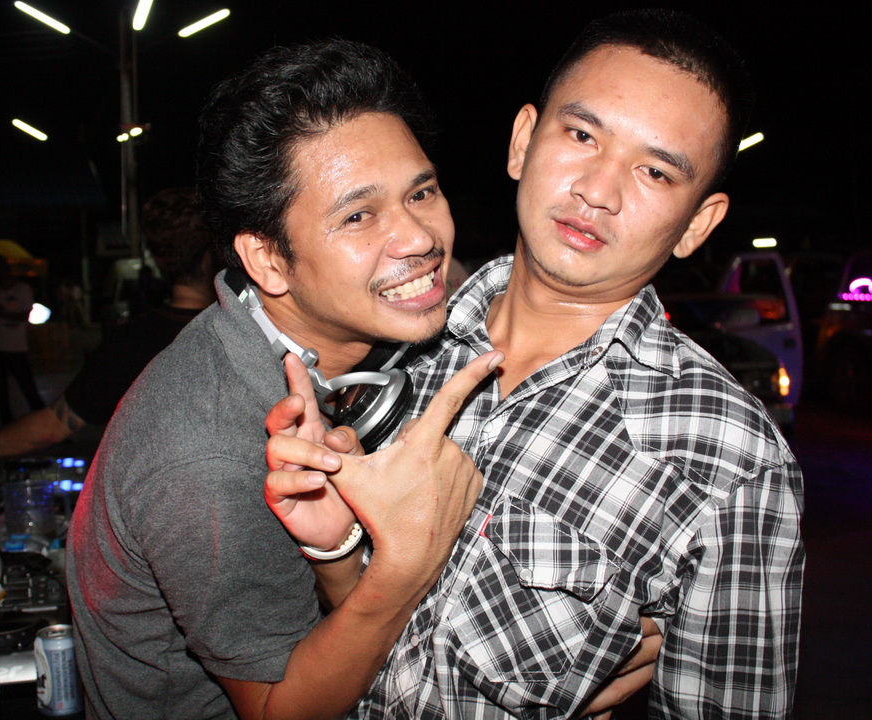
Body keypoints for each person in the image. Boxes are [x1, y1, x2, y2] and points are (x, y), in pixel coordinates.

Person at [266, 10, 803, 719]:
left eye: (654, 171)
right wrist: (337, 554)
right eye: (581, 135)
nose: (598, 190)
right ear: (523, 141)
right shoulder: (393, 351)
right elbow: (372, 649)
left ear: (697, 224)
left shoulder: (729, 461)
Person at [66, 39, 505, 720]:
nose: (419, 237)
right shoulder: (208, 453)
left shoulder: (342, 342)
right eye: (358, 216)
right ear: (269, 261)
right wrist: (404, 568)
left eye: (421, 192)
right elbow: (279, 709)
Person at [0, 188, 217, 503]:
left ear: (157, 258)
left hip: (165, 508)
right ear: (217, 253)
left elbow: (55, 423)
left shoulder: (130, 343)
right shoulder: (243, 328)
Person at [0, 253, 45, 425]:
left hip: (17, 348)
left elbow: (23, 316)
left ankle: (44, 425)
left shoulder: (22, 289)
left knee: (29, 390)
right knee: (1, 394)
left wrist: (2, 313)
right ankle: (7, 427)